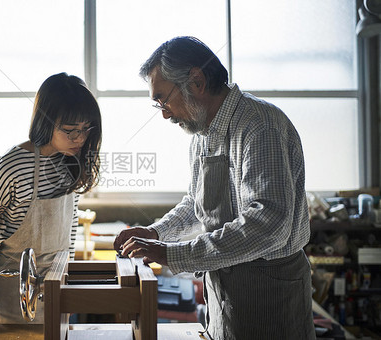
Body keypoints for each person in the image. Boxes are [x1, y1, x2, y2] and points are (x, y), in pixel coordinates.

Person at [113, 36, 315, 340]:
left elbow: (269, 225)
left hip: (270, 293)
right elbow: (196, 204)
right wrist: (156, 233)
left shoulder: (259, 124)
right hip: (224, 290)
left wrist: (174, 254)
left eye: (164, 100)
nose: (165, 114)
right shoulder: (202, 134)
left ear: (196, 81)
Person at [0, 72, 102, 330]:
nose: (79, 139)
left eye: (85, 129)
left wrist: (66, 284)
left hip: (58, 293)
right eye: (70, 131)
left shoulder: (69, 162)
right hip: (14, 297)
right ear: (46, 122)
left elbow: (69, 235)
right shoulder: (8, 169)